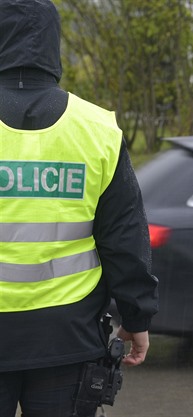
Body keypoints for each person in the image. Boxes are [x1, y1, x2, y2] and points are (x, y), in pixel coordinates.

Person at [0, 1, 159, 416]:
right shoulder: (97, 130)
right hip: (67, 341)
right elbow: (125, 238)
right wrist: (136, 318)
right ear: (54, 46)